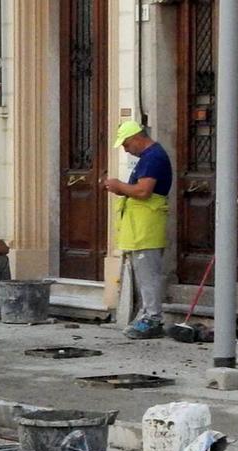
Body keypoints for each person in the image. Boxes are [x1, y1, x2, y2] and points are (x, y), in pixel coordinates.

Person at [104, 121, 173, 339]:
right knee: (143, 275)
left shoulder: (153, 157)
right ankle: (146, 315)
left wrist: (118, 186)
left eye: (125, 144)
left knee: (148, 275)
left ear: (136, 138)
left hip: (146, 227)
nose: (125, 149)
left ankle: (153, 318)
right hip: (139, 227)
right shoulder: (149, 157)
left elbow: (143, 191)